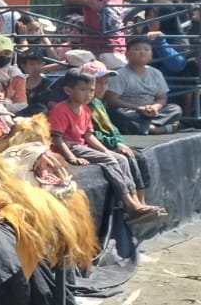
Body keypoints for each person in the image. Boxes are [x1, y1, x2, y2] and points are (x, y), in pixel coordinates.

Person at [49, 71, 162, 220]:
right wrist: (71, 157)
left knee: (121, 159)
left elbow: (88, 135)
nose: (88, 94)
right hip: (70, 147)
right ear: (68, 90)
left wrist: (105, 150)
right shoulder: (60, 110)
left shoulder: (86, 110)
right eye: (83, 90)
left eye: (91, 90)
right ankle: (128, 203)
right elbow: (57, 138)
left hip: (82, 146)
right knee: (109, 160)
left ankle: (136, 200)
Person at [86, 63, 157, 208]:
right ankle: (132, 204)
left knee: (139, 157)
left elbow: (112, 128)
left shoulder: (99, 103)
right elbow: (91, 134)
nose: (103, 87)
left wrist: (119, 141)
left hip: (112, 143)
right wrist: (114, 144)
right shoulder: (84, 107)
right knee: (128, 158)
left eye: (105, 83)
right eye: (98, 83)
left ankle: (142, 200)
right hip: (97, 145)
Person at [105, 36, 182, 134]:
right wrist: (138, 108)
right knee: (116, 113)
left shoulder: (156, 73)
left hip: (151, 112)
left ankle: (144, 127)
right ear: (127, 54)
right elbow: (112, 100)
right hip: (132, 111)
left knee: (175, 109)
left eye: (146, 49)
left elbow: (162, 97)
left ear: (151, 54)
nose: (142, 52)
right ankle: (156, 129)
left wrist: (155, 107)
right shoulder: (120, 74)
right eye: (137, 49)